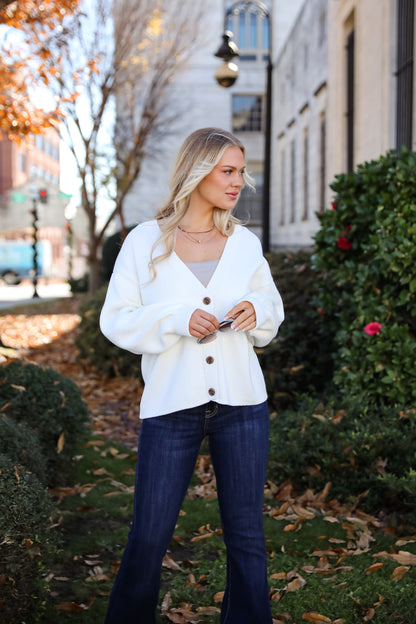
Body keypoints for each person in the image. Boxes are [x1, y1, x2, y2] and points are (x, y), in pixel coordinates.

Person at [99, 127, 284, 624]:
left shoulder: (244, 243)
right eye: (228, 171)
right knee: (150, 533)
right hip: (170, 407)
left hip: (242, 406)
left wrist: (255, 309)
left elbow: (271, 309)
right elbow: (116, 319)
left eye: (241, 172)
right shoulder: (144, 241)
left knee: (246, 534)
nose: (238, 182)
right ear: (197, 171)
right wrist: (176, 321)